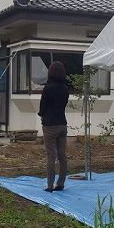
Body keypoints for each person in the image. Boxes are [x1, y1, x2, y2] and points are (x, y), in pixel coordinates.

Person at [38, 61, 69, 192]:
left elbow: (42, 107)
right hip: (62, 123)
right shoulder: (65, 88)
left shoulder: (48, 88)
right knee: (62, 155)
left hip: (49, 125)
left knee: (51, 155)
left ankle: (50, 185)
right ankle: (61, 183)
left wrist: (42, 115)